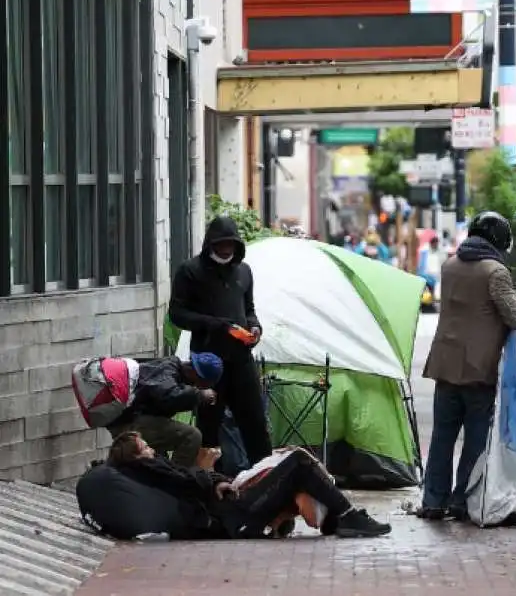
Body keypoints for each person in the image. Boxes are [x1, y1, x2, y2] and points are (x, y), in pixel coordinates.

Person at [419, 211, 516, 521]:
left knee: (442, 437)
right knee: (475, 439)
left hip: (445, 363)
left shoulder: (450, 265)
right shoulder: (496, 272)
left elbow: (473, 303)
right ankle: (462, 501)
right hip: (477, 368)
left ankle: (432, 501)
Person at [106, 431, 392, 539]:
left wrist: (217, 481)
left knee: (291, 464)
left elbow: (189, 478)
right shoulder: (148, 468)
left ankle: (337, 521)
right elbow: (186, 481)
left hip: (230, 507)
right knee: (298, 463)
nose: (151, 451)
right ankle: (347, 516)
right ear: (134, 457)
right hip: (234, 516)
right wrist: (213, 484)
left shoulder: (152, 467)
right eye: (144, 448)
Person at [169, 215, 272, 471]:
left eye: (231, 245)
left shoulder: (244, 271)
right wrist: (216, 324)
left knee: (255, 422)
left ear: (237, 246)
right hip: (208, 363)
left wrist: (254, 326)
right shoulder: (190, 271)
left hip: (241, 358)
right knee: (209, 423)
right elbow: (177, 314)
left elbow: (248, 308)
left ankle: (267, 478)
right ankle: (210, 481)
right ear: (210, 244)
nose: (226, 250)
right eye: (221, 244)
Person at [106, 352, 223, 467]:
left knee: (160, 460)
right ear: (198, 375)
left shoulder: (174, 373)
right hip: (128, 422)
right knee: (191, 436)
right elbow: (168, 396)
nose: (202, 387)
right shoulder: (167, 369)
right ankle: (173, 482)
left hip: (134, 419)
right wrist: (199, 395)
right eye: (205, 384)